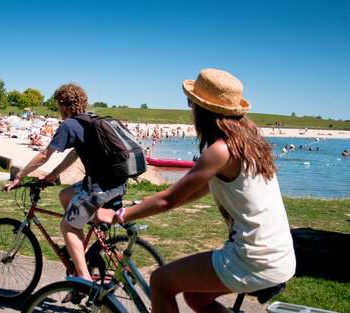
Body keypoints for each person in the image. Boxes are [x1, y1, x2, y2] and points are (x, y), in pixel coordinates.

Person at [97, 68, 296, 313]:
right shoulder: (250, 143)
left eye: (190, 102)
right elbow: (195, 190)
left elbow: (169, 200)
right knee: (196, 298)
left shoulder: (220, 150)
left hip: (253, 258)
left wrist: (120, 215)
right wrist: (144, 203)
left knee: (160, 282)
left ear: (203, 109)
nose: (190, 108)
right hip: (278, 255)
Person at [3, 83, 127, 282]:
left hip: (98, 188)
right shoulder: (90, 120)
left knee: (67, 226)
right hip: (117, 183)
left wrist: (20, 176)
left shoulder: (70, 124)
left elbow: (44, 154)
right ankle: (88, 246)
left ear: (65, 105)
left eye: (58, 106)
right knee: (65, 195)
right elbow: (76, 152)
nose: (58, 111)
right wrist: (53, 175)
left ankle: (83, 279)